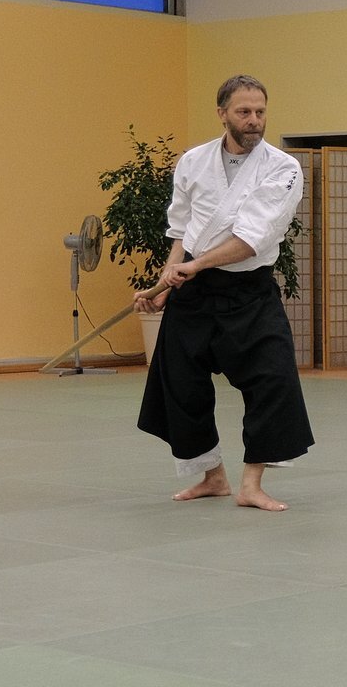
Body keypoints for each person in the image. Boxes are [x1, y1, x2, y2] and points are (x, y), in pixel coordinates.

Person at [134, 74, 314, 512]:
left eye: (260, 112)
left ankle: (251, 483)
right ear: (222, 114)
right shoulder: (193, 161)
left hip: (248, 289)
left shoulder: (283, 168)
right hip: (193, 293)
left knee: (272, 378)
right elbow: (180, 230)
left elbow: (252, 237)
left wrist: (192, 266)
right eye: (244, 112)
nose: (254, 121)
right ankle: (212, 477)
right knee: (180, 383)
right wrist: (163, 283)